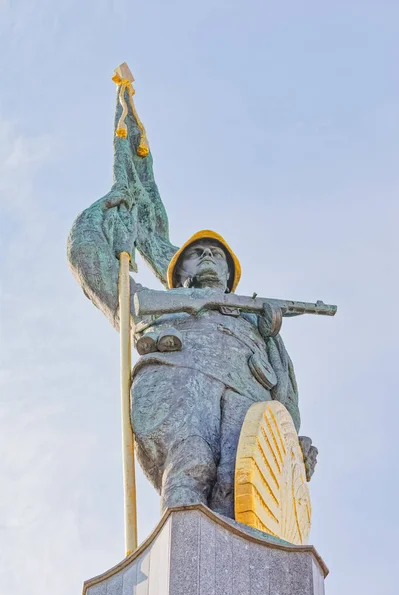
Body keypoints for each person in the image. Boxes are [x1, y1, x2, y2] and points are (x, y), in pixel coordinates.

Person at [67, 89, 317, 518]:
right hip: (177, 384)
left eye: (217, 255)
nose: (208, 259)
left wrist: (291, 445)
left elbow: (283, 395)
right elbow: (91, 262)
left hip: (246, 397)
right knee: (192, 466)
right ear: (179, 271)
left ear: (230, 274)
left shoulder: (255, 320)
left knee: (240, 488)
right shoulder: (161, 302)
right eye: (198, 254)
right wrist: (104, 212)